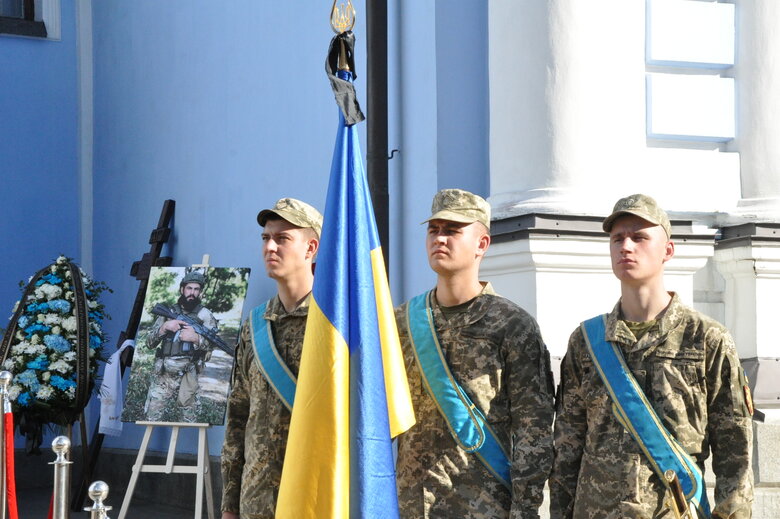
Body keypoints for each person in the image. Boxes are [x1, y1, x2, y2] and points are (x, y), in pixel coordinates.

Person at [550, 194, 754, 518]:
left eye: (640, 237)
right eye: (617, 238)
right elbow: (566, 452)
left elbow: (736, 457)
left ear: (667, 251)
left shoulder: (707, 340)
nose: (626, 246)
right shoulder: (587, 343)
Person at [394, 188, 555, 519]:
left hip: (484, 506)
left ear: (482, 244)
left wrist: (524, 510)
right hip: (411, 505)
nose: (440, 238)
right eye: (433, 230)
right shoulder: (402, 322)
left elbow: (533, 427)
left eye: (452, 230)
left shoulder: (512, 325)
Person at [220, 197, 322, 519]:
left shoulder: (336, 325)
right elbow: (238, 418)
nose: (270, 247)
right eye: (266, 237)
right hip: (257, 502)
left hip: (317, 500)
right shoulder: (255, 325)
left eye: (283, 238)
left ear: (310, 249)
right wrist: (229, 504)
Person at [144, 270, 218, 422]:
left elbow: (212, 346)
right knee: (151, 417)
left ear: (201, 292)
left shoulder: (206, 315)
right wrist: (164, 327)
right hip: (164, 375)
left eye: (196, 289)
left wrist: (196, 338)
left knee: (189, 420)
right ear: (182, 289)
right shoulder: (168, 312)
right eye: (189, 288)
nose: (192, 293)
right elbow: (149, 343)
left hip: (188, 375)